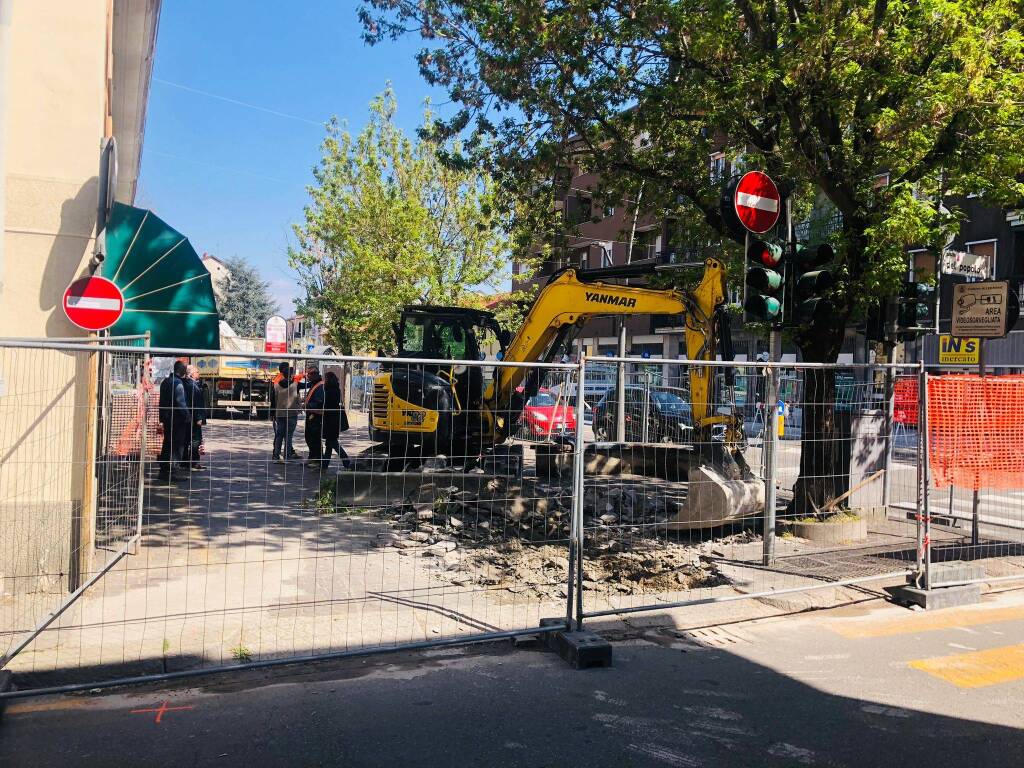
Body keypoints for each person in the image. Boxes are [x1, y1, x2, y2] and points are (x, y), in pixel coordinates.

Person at [157, 361, 191, 480]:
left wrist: (161, 417)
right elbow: (181, 403)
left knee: (167, 443)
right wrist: (187, 416)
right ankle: (173, 471)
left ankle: (164, 469)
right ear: (182, 371)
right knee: (177, 445)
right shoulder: (178, 384)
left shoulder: (165, 382)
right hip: (177, 420)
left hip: (167, 418)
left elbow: (161, 401)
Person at [272, 362, 301, 463]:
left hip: (280, 414)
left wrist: (273, 413)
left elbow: (274, 400)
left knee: (279, 435)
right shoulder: (295, 385)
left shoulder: (276, 386)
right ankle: (287, 456)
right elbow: (297, 398)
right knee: (289, 436)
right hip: (292, 414)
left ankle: (276, 456)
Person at [322, 370, 351, 469]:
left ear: (328, 380)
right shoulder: (336, 389)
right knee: (329, 444)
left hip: (330, 420)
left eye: (325, 378)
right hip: (334, 420)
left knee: (333, 443)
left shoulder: (328, 391)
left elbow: (327, 405)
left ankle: (346, 461)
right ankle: (325, 465)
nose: (324, 380)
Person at [184, 365, 208, 470]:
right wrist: (199, 418)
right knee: (195, 440)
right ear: (192, 374)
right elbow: (196, 404)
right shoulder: (192, 386)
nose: (199, 373)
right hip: (194, 418)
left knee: (188, 440)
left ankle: (186, 463)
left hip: (189, 417)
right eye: (197, 372)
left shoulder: (189, 384)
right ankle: (193, 463)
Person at [303, 366, 325, 468]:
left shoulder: (320, 386)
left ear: (315, 374)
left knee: (315, 438)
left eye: (309, 374)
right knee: (309, 437)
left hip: (316, 416)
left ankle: (317, 460)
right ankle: (312, 457)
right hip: (311, 415)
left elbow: (319, 402)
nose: (307, 376)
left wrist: (307, 406)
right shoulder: (314, 384)